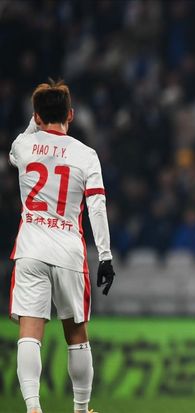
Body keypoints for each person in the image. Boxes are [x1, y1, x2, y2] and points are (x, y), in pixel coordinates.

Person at [8, 80, 115, 413]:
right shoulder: (86, 155)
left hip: (31, 249)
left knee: (30, 332)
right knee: (76, 335)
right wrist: (105, 256)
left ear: (37, 116)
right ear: (71, 114)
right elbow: (97, 206)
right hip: (69, 250)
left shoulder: (24, 146)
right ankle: (81, 410)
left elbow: (19, 145)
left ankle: (33, 408)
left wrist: (36, 120)